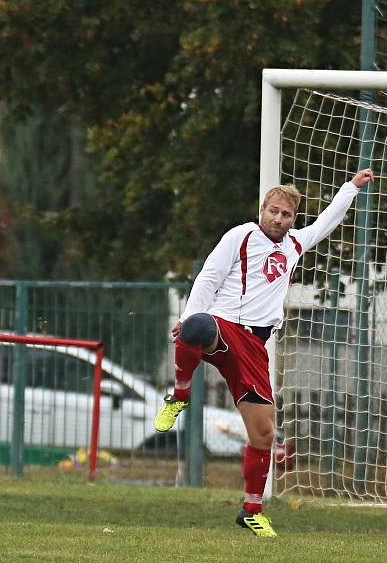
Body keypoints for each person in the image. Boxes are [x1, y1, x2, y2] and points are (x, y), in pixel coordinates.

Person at [154, 168, 375, 537]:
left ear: (293, 219)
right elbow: (209, 276)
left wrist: (350, 188)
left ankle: (251, 509)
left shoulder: (295, 245)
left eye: (286, 214)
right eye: (273, 210)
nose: (278, 218)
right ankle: (179, 395)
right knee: (196, 327)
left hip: (254, 346)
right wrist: (187, 315)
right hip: (223, 327)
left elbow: (328, 221)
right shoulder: (241, 235)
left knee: (264, 434)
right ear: (262, 210)